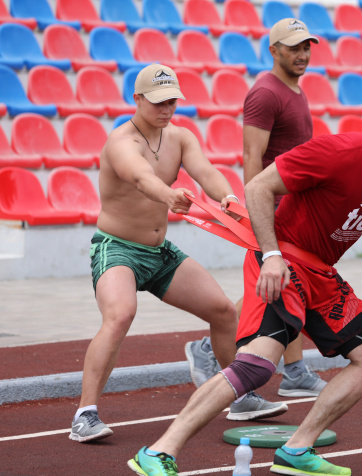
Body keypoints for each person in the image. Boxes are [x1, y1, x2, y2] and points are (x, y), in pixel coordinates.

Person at [128, 105, 362, 476]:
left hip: (320, 273)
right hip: (282, 259)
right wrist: (271, 255)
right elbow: (258, 187)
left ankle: (296, 450)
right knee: (257, 365)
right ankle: (158, 451)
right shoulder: (335, 152)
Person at [69, 64, 247, 443]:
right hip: (118, 248)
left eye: (172, 102)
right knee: (120, 315)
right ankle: (85, 414)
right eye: (158, 102)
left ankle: (240, 395)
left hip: (159, 251)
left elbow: (206, 172)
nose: (167, 109)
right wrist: (169, 195)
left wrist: (228, 197)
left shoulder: (180, 137)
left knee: (223, 311)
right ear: (137, 99)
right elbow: (140, 177)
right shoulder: (121, 142)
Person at [184, 18, 327, 421]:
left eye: (307, 46)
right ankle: (209, 349)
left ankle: (294, 371)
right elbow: (252, 157)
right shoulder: (265, 93)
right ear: (274, 50)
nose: (302, 54)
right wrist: (258, 211)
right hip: (272, 209)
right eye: (294, 47)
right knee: (275, 284)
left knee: (289, 283)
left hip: (292, 207)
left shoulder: (293, 88)